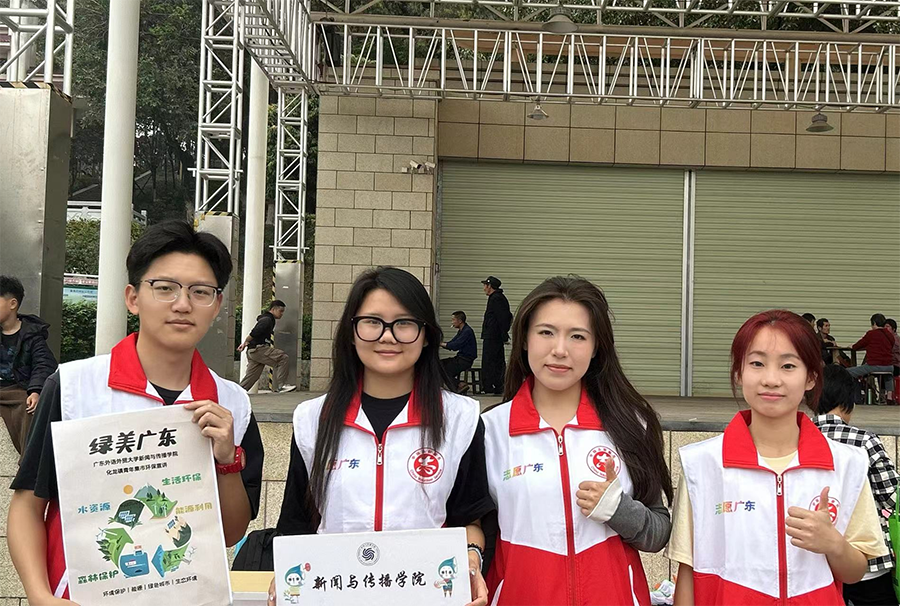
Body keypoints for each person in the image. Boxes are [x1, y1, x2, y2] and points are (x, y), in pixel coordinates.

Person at [8, 220, 264, 603]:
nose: (182, 304)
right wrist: (39, 595)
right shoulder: (75, 387)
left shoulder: (233, 404)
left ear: (217, 305)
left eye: (200, 292)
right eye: (165, 288)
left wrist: (227, 461)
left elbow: (230, 533)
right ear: (133, 297)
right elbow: (28, 505)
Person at [269, 267, 492, 606]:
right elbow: (295, 525)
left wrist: (472, 557)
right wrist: (286, 578)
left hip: (425, 595)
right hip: (336, 595)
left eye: (404, 323)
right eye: (372, 322)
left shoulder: (460, 418)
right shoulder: (313, 419)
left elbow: (470, 519)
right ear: (351, 332)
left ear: (426, 335)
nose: (388, 336)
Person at [668, 310, 888, 606]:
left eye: (788, 366)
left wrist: (833, 543)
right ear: (739, 372)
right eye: (757, 363)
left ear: (811, 377)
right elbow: (687, 570)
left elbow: (855, 572)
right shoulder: (702, 464)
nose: (771, 379)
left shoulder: (847, 464)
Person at [483, 277, 672, 606]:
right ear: (524, 339)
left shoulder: (629, 424)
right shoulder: (489, 431)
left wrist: (619, 509)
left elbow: (658, 533)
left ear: (596, 347)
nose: (560, 349)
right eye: (546, 332)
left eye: (578, 336)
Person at [812, 364, 900, 606]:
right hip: (866, 561)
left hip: (814, 563)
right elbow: (892, 496)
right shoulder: (864, 441)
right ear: (848, 401)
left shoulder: (796, 438)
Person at [0, 275, 57, 454]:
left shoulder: (32, 334)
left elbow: (44, 364)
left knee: (28, 409)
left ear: (12, 303)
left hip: (18, 388)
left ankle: (27, 464)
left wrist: (35, 391)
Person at [237, 300, 296, 394]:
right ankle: (281, 386)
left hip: (253, 351)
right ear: (273, 309)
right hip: (258, 349)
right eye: (280, 311)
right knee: (283, 358)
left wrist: (245, 343)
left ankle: (236, 393)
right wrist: (245, 342)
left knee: (252, 376)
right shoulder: (267, 320)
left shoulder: (267, 319)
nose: (282, 314)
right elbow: (254, 332)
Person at [849, 314, 896, 399]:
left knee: (849, 372)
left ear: (874, 323)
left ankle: (855, 397)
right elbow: (892, 344)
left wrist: (852, 346)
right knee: (888, 376)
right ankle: (889, 397)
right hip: (889, 366)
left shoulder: (871, 334)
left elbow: (858, 345)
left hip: (874, 365)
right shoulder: (889, 334)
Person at [481, 276, 512, 396]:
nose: (484, 288)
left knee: (491, 361)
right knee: (495, 360)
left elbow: (503, 318)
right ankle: (496, 385)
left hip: (493, 336)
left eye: (485, 285)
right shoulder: (495, 298)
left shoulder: (497, 299)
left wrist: (503, 334)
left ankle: (492, 386)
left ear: (490, 286)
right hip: (493, 335)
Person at [440, 310, 477, 393]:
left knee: (441, 369)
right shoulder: (461, 331)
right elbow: (452, 343)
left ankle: (459, 385)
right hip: (460, 358)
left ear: (460, 321)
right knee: (439, 364)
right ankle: (457, 385)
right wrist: (443, 344)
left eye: (453, 320)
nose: (452, 322)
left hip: (465, 360)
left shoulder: (467, 331)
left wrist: (441, 344)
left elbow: (455, 345)